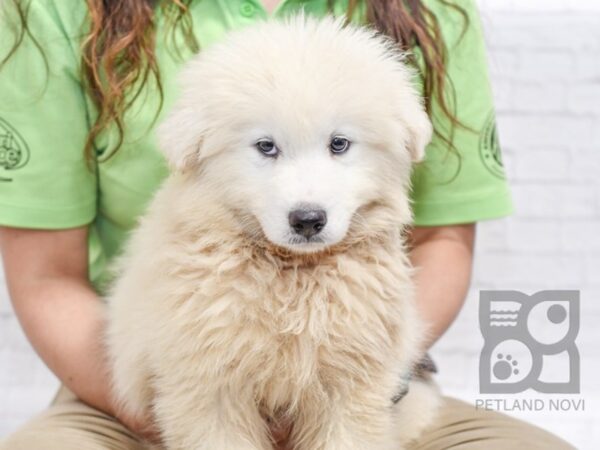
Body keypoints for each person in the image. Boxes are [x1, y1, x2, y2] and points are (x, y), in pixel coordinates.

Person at [0, 0, 574, 449]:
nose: (307, 203)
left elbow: (442, 240)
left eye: (340, 146)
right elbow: (44, 277)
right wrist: (185, 412)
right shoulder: (58, 14)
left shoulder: (427, 18)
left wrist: (374, 371)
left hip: (382, 399)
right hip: (127, 401)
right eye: (266, 148)